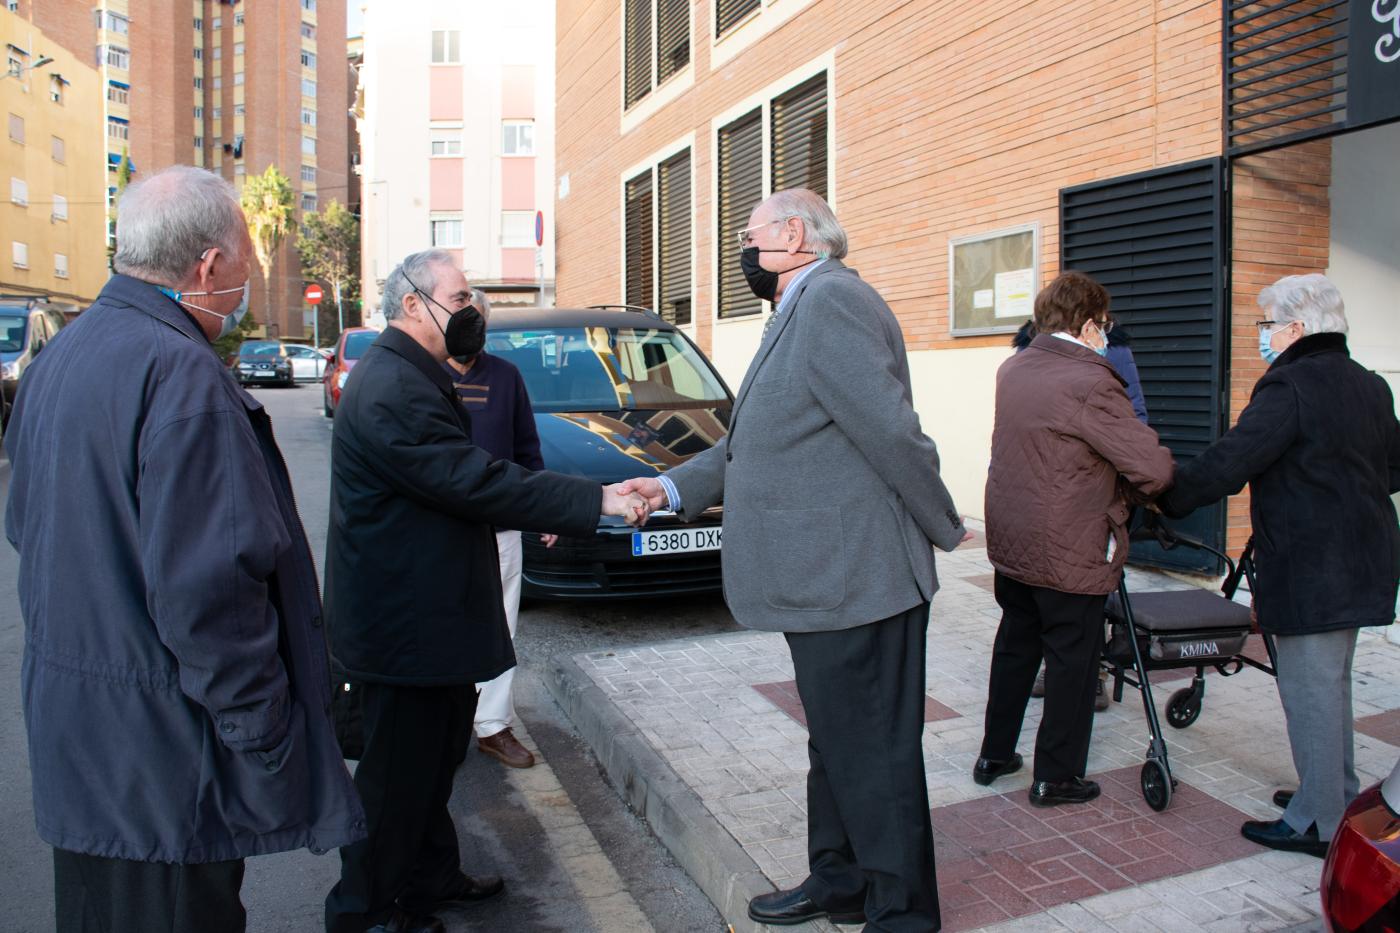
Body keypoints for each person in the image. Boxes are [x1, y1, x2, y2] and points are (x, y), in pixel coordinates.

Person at [3, 165, 365, 933]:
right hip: (165, 764)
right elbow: (211, 600)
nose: (247, 276)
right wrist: (267, 741)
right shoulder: (182, 376)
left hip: (85, 745)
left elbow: (26, 525)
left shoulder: (58, 359)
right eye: (245, 259)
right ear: (208, 266)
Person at [620, 189, 967, 932]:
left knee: (872, 745)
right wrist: (671, 483)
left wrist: (942, 523)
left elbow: (892, 433)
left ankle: (903, 911)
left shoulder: (834, 301)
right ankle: (841, 880)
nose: (743, 252)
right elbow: (752, 440)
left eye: (750, 237)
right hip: (826, 577)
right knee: (837, 738)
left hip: (857, 574)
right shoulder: (798, 307)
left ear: (795, 234)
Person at [323, 249, 648, 933]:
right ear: (414, 303)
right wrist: (597, 500)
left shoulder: (412, 372)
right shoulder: (392, 387)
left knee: (433, 761)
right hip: (401, 627)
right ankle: (366, 911)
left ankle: (428, 876)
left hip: (426, 617)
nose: (474, 311)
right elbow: (474, 478)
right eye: (462, 296)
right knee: (394, 781)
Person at [1159, 273, 1400, 858]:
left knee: (1310, 693)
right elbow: (1393, 467)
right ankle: (1331, 796)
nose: (1262, 335)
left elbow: (1231, 461)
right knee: (1330, 687)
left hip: (1313, 567)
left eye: (1267, 324)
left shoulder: (1289, 386)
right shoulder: (1369, 385)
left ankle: (1317, 823)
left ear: (1296, 327)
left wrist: (1168, 497)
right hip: (1362, 560)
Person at [976, 271, 1173, 808]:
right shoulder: (1090, 380)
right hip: (1069, 542)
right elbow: (1151, 467)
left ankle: (995, 754)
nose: (1105, 335)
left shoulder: (1013, 368)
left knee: (1015, 646)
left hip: (1013, 539)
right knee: (1072, 658)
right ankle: (1057, 776)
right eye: (1103, 326)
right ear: (1089, 325)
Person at [1013, 320, 1151, 710]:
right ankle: (1051, 664)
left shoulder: (1114, 351)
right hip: (1037, 492)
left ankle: (1094, 673)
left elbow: (1134, 415)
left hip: (1092, 490)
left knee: (1092, 585)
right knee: (1039, 586)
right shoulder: (1030, 352)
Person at [444, 287, 553, 769]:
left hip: (501, 528)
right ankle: (443, 723)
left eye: (478, 320)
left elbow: (527, 450)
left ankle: (492, 726)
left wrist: (545, 508)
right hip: (441, 532)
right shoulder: (422, 377)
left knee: (502, 628)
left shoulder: (506, 377)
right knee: (443, 623)